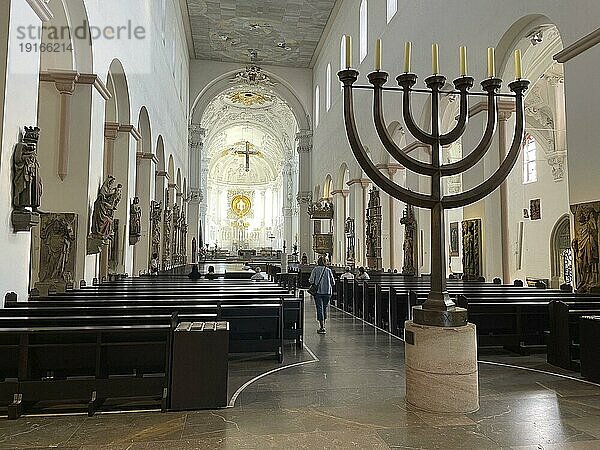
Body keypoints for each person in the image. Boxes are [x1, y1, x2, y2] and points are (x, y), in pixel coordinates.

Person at [308, 257, 335, 334]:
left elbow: (311, 280)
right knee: (324, 308)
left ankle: (322, 326)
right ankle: (324, 325)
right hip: (327, 292)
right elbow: (333, 282)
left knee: (319, 308)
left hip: (318, 292)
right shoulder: (328, 270)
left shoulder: (315, 269)